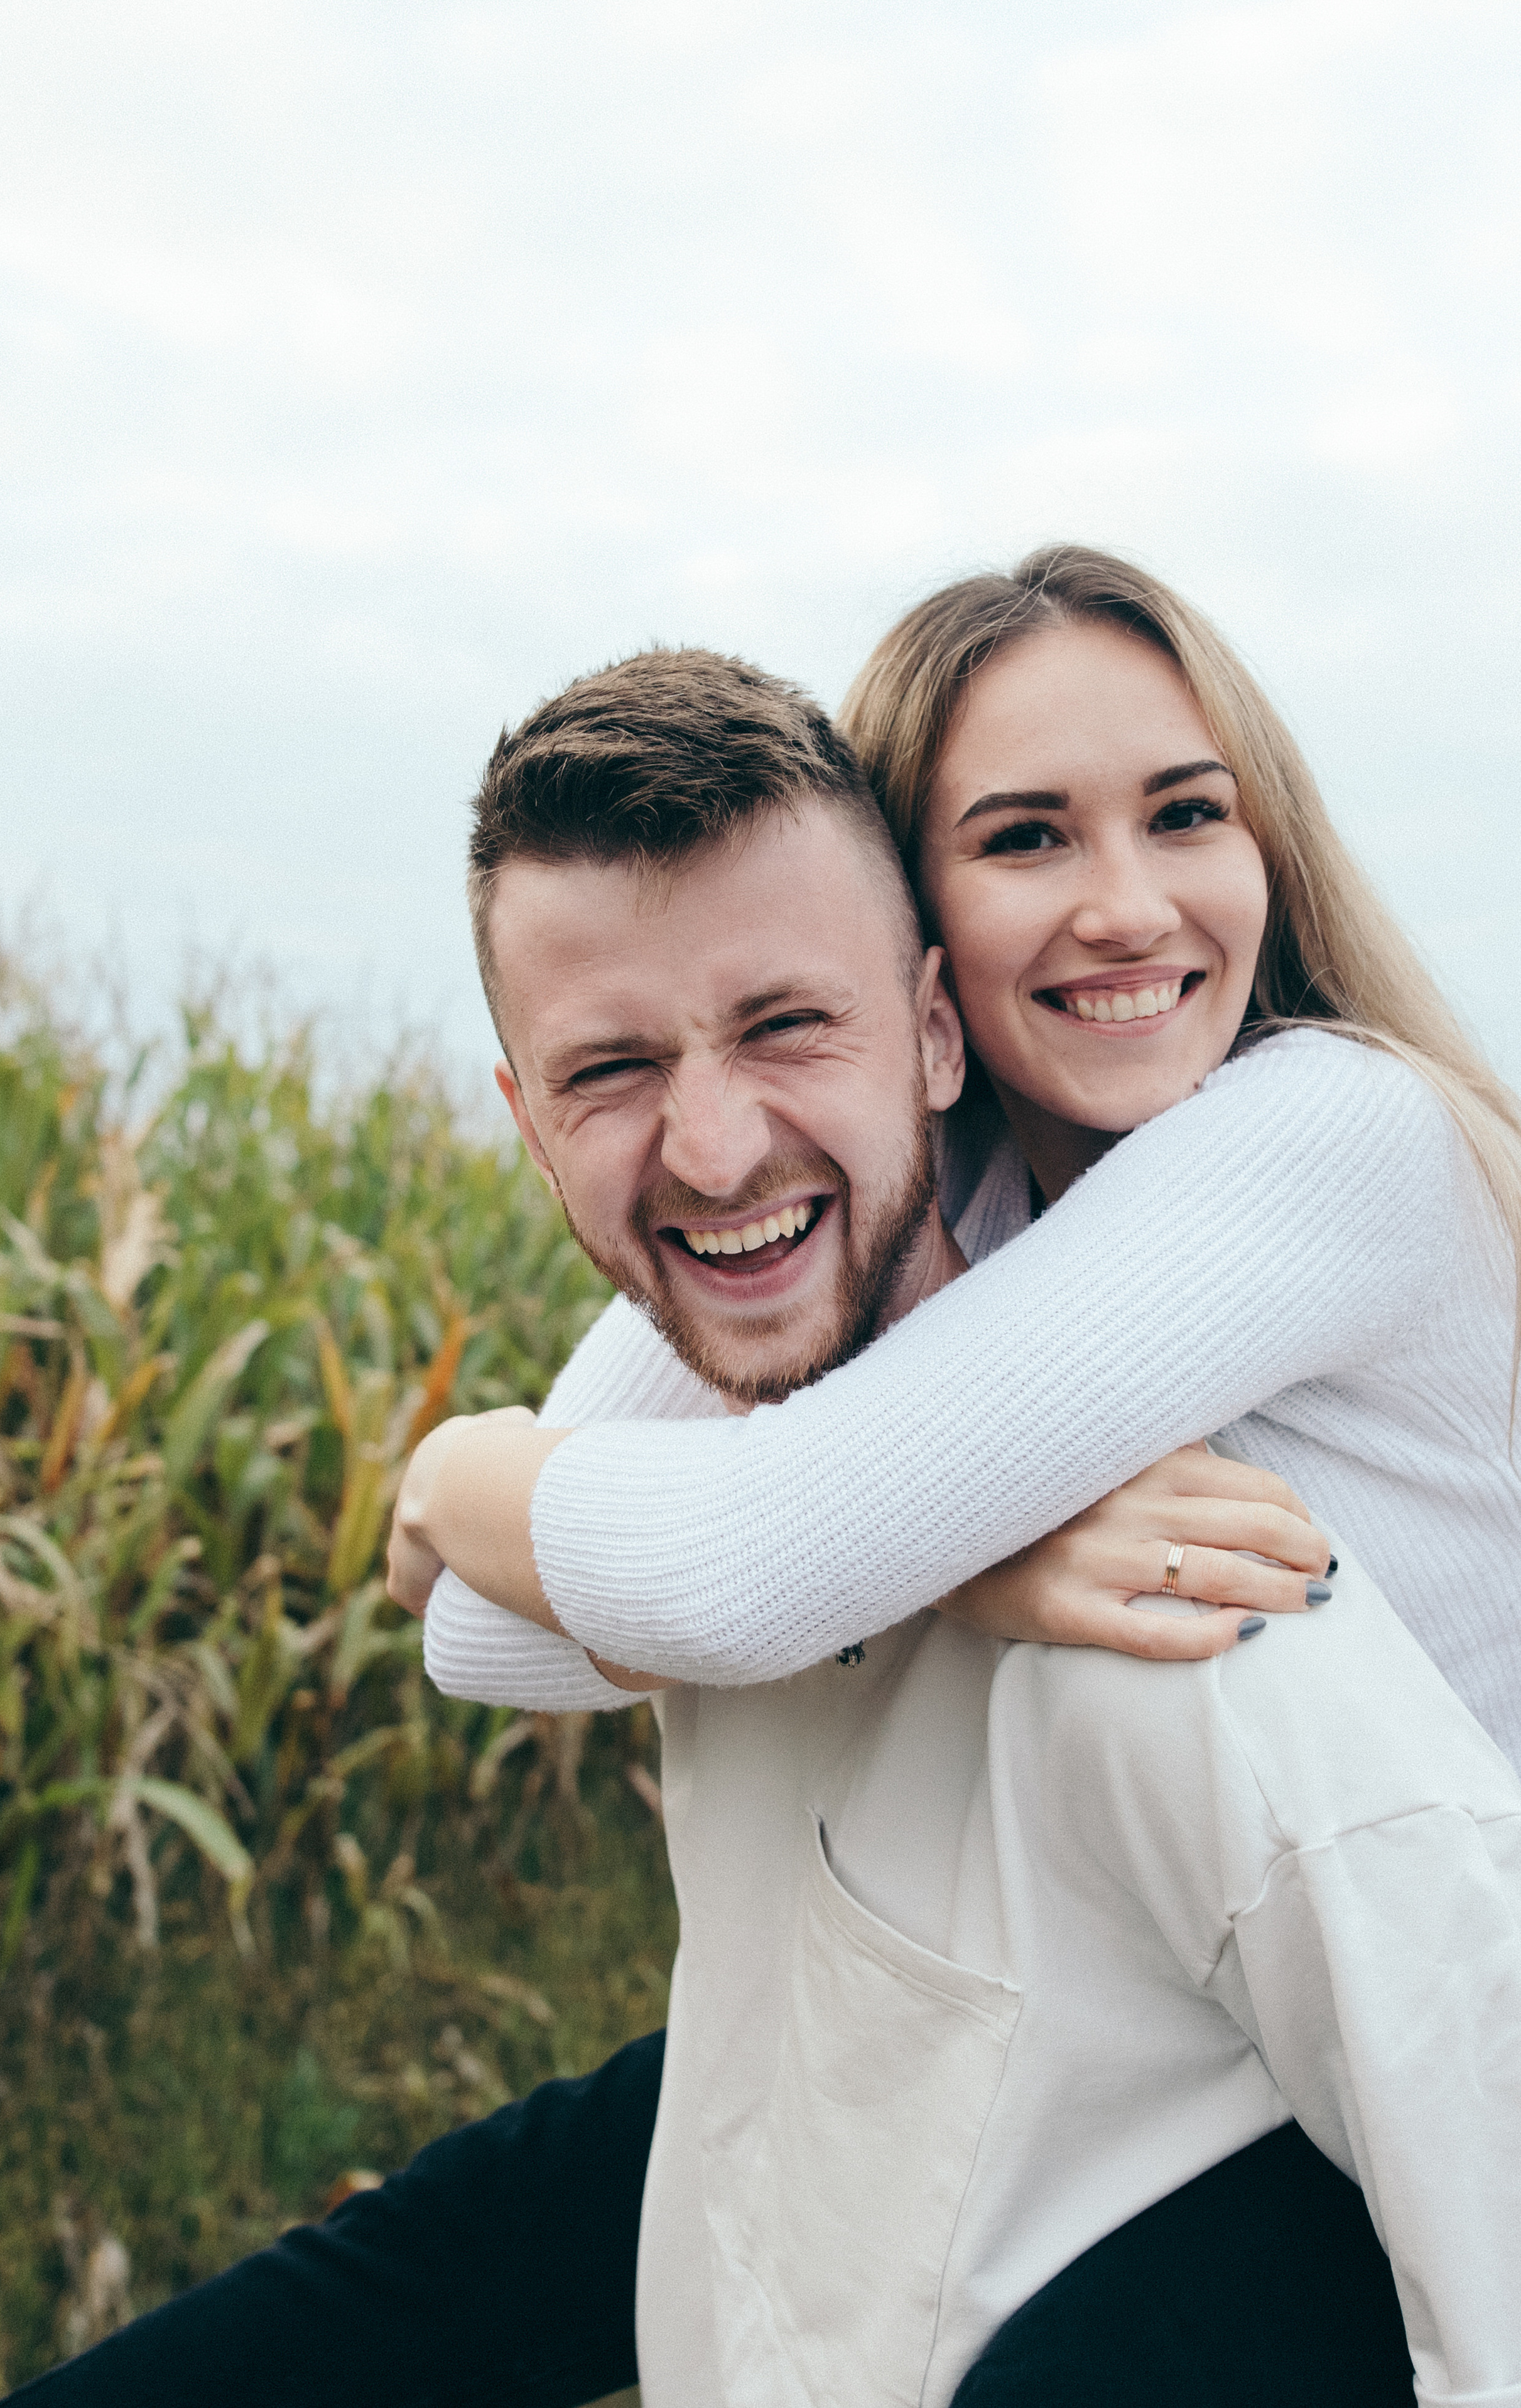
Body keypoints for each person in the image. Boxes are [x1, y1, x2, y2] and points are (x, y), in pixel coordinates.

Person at [406, 639, 1521, 2405]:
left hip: (1425, 2029)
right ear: (930, 951)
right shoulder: (943, 1184)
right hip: (1244, 2023)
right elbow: (490, 1627)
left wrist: (464, 1475)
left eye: (1185, 814)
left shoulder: (1334, 1128)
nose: (1125, 904)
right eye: (1026, 837)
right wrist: (945, 1547)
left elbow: (730, 1572)